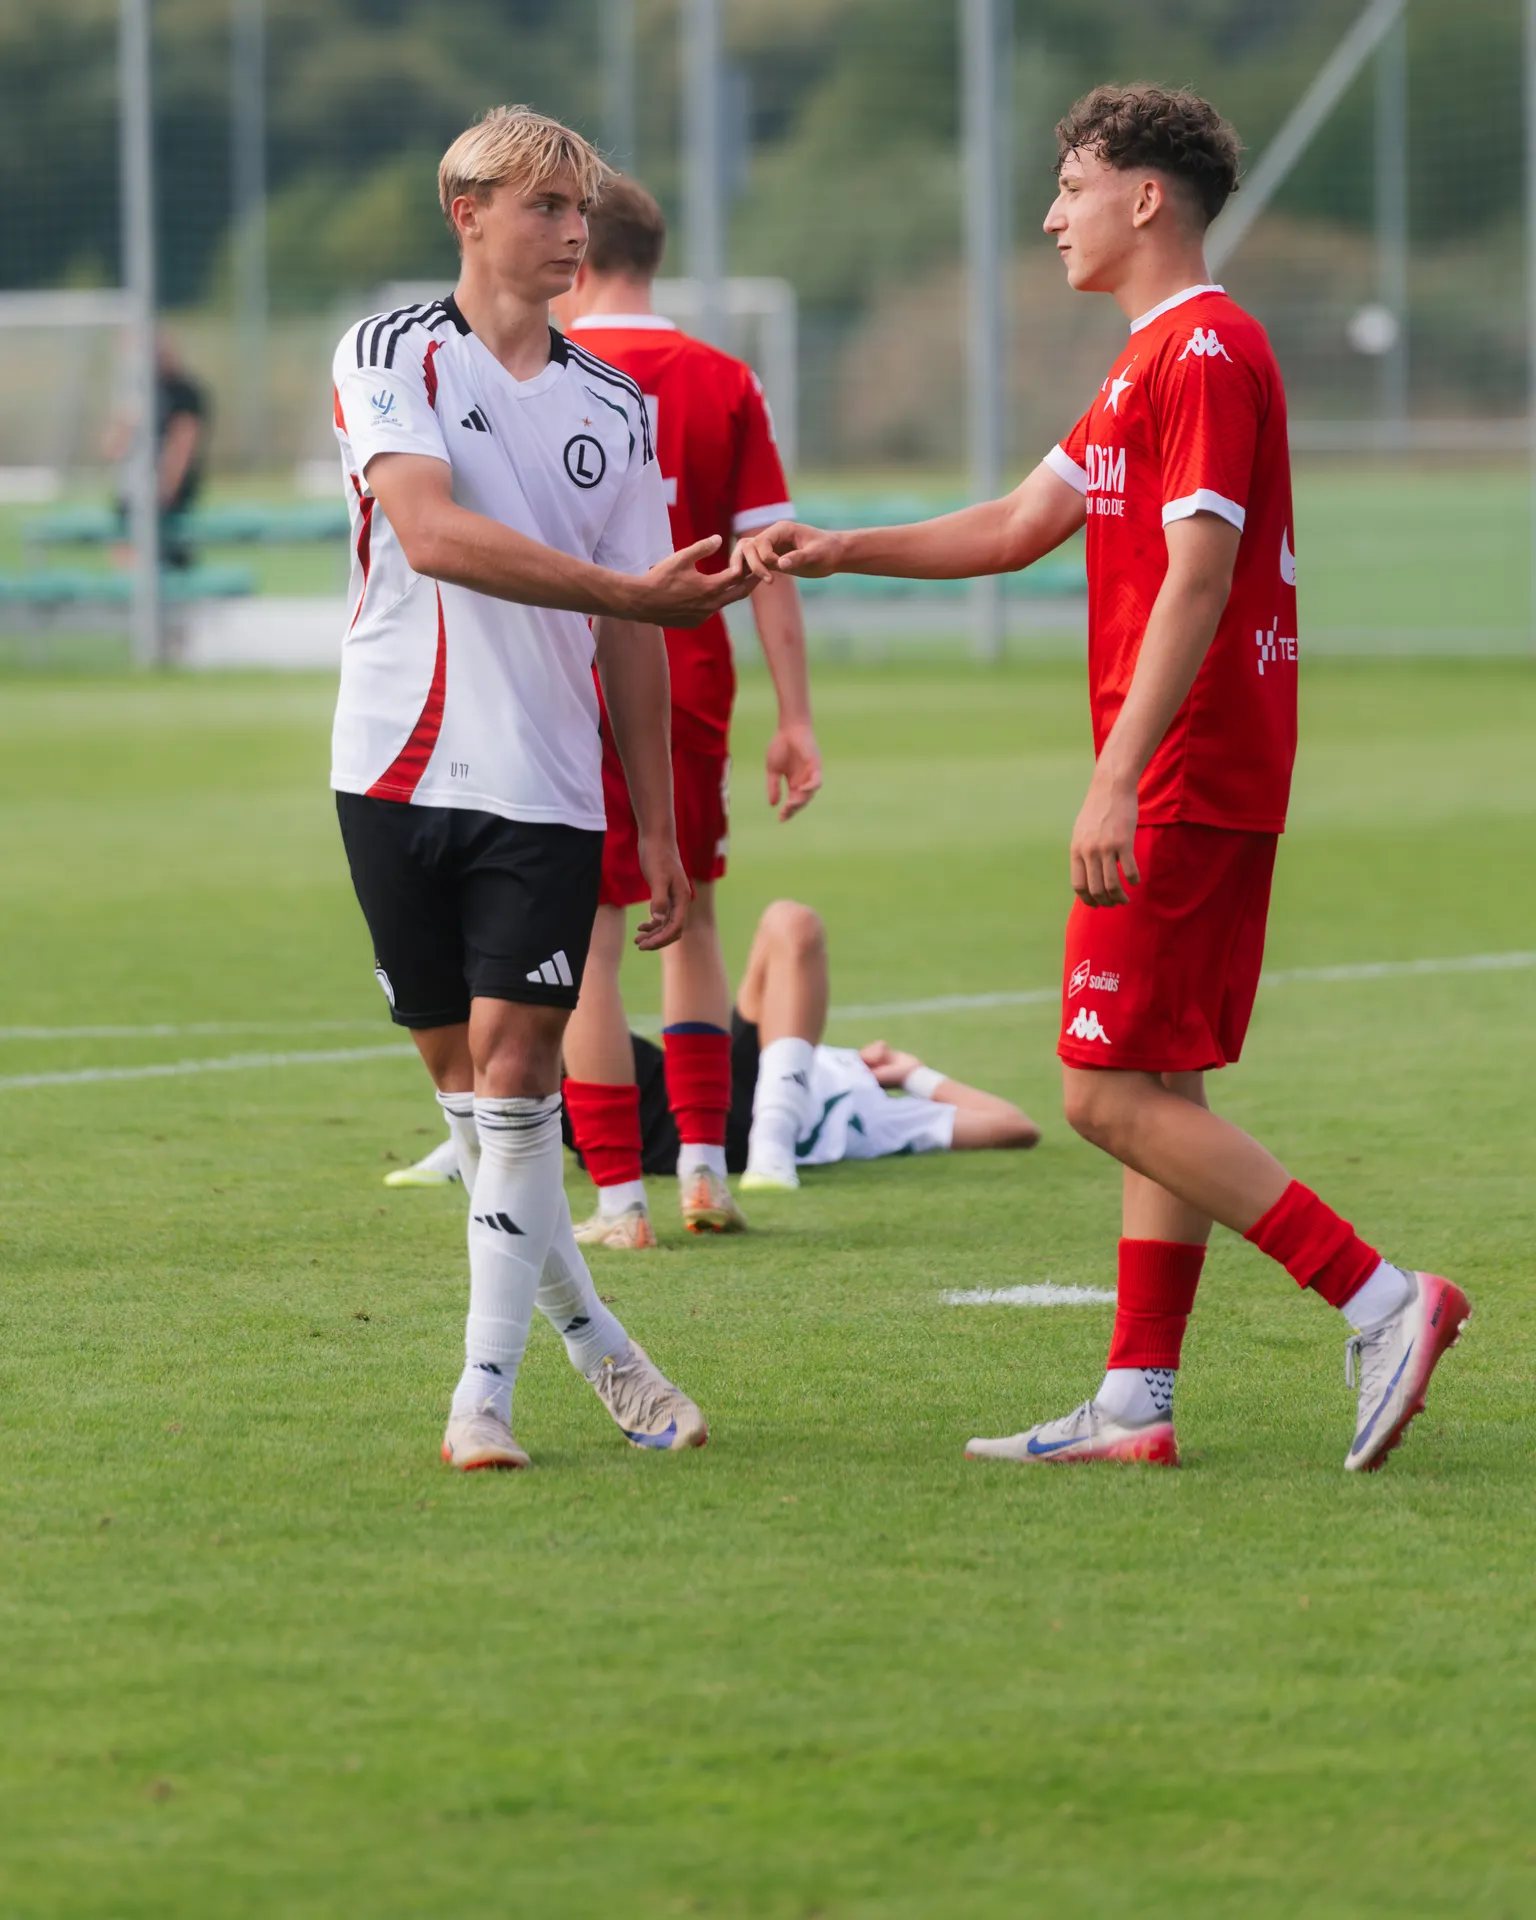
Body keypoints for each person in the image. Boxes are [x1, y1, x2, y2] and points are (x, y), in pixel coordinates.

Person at [736, 85, 1470, 1474]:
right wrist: (840, 548)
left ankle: (1382, 1298)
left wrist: (1116, 776)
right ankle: (1136, 1401)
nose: (1049, 213)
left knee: (1097, 1093)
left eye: (1071, 184)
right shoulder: (1150, 361)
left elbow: (1198, 577)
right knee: (1158, 1081)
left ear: (1145, 197)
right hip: (1197, 765)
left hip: (1184, 767)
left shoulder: (1204, 350)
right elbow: (1019, 526)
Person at [330, 105, 757, 1471]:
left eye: (581, 212)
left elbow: (640, 630)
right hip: (391, 765)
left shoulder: (614, 406)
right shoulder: (388, 353)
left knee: (518, 1088)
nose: (572, 233)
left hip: (551, 790)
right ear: (469, 214)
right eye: (543, 208)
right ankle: (602, 1348)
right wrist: (622, 590)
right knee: (473, 1103)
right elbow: (432, 531)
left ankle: (481, 1401)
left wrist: (663, 819)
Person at [549, 176, 823, 1251]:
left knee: (590, 939)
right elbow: (774, 561)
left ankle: (620, 1200)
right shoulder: (723, 377)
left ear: (574, 256)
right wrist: (795, 716)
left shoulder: (551, 369)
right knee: (693, 910)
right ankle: (706, 1171)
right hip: (694, 671)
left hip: (574, 670)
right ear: (655, 255)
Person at [385, 899, 1039, 1191]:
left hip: (719, 1128)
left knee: (526, 1022)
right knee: (791, 922)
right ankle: (462, 1143)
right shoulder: (810, 1050)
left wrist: (913, 1073)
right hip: (707, 1081)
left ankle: (770, 1152)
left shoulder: (873, 1115)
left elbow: (1015, 1126)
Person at [106, 332, 209, 569]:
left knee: (168, 558)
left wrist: (165, 491)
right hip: (133, 489)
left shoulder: (183, 392)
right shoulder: (137, 395)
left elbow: (182, 445)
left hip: (163, 494)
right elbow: (112, 448)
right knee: (128, 557)